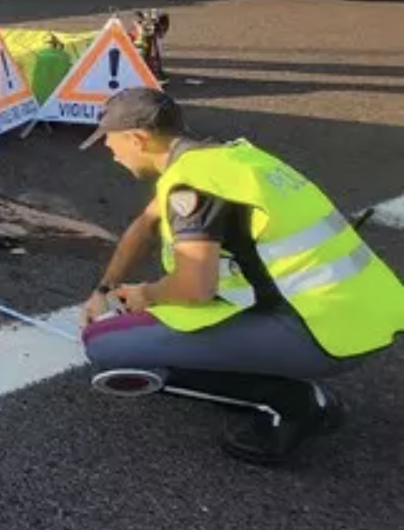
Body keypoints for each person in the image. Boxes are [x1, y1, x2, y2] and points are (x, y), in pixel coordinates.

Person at [79, 89, 403, 465]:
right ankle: (270, 373)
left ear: (138, 138)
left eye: (111, 141)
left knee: (106, 348)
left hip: (317, 330)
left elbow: (195, 288)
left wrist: (143, 295)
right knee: (144, 326)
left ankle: (294, 402)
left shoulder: (193, 185)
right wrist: (103, 288)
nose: (110, 151)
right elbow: (146, 225)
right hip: (362, 316)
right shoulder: (228, 157)